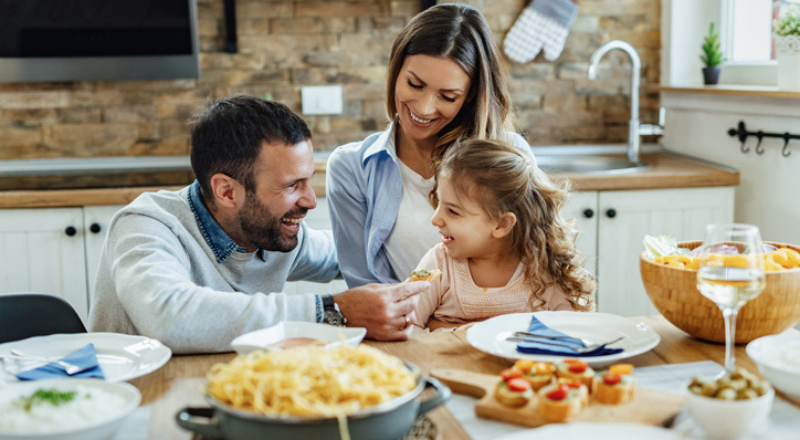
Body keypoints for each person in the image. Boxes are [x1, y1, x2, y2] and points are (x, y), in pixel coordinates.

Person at [88, 95, 429, 354]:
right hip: (136, 406)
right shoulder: (147, 225)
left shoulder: (274, 233)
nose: (310, 200)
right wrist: (332, 309)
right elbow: (170, 318)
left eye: (309, 181)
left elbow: (357, 254)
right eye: (291, 186)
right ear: (226, 191)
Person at [326, 3, 534, 288]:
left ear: (471, 95)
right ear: (396, 70)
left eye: (448, 97)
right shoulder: (351, 168)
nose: (424, 108)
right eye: (414, 84)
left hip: (498, 327)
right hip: (408, 329)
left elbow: (539, 260)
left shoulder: (512, 156)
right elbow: (367, 290)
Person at [410, 139, 595, 332]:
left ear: (501, 224)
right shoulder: (438, 264)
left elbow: (574, 332)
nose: (435, 219)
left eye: (453, 211)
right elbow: (407, 327)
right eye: (439, 202)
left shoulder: (542, 270)